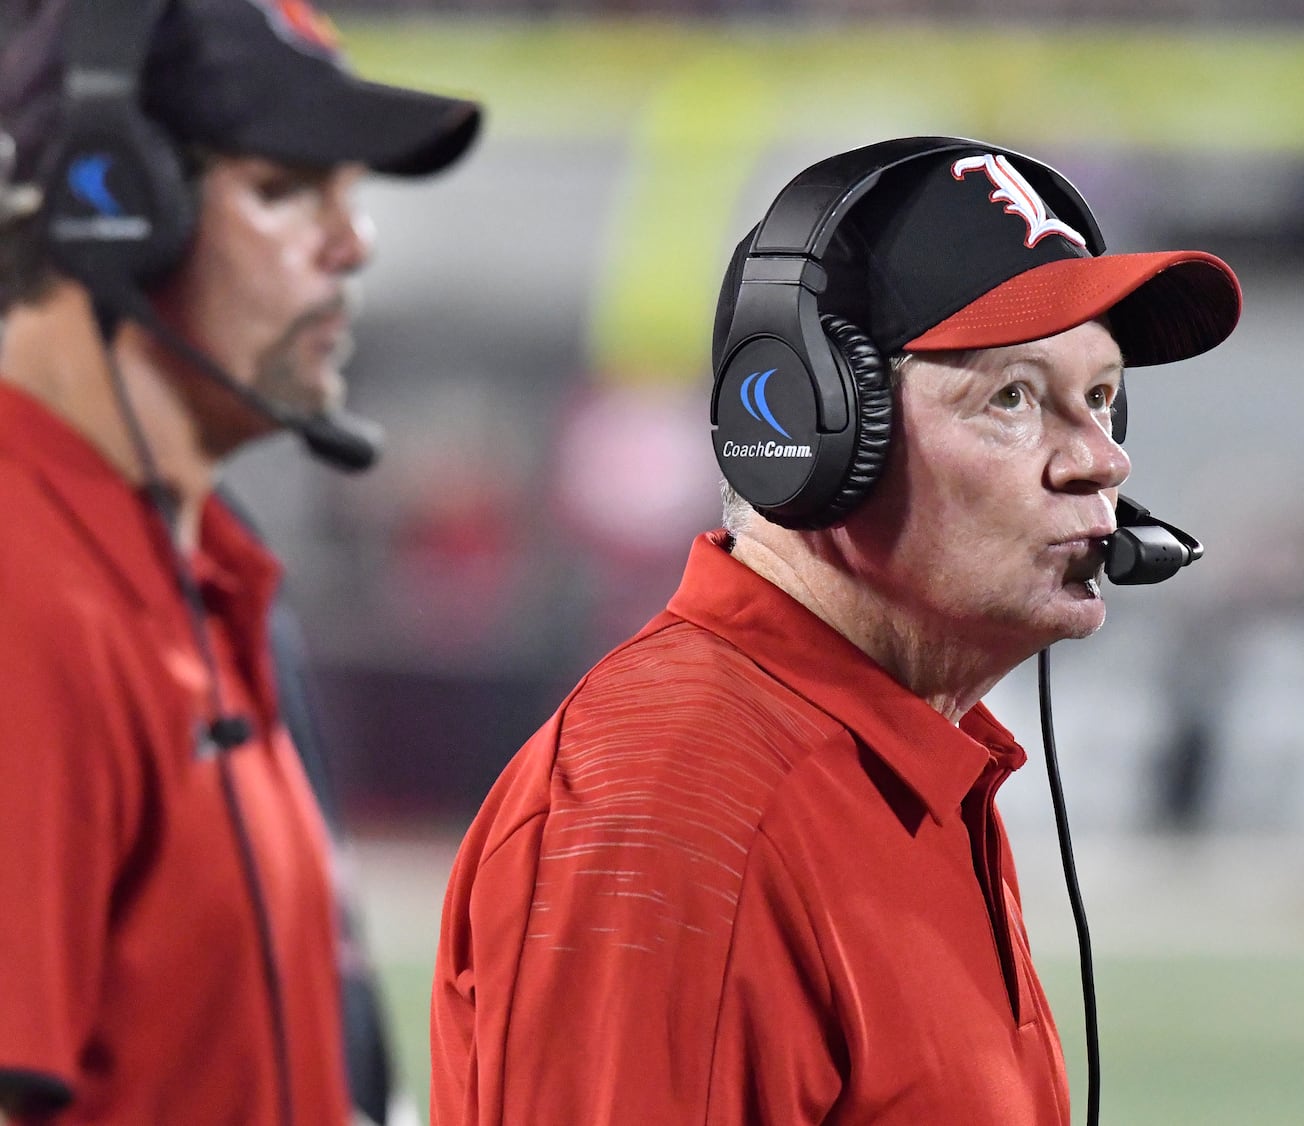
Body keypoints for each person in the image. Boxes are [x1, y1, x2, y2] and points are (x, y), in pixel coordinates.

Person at [430, 136, 1241, 1124]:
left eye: (1103, 398)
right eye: (1012, 398)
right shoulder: (673, 804)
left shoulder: (896, 760)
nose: (1099, 462)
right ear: (814, 433)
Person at [0, 0, 480, 1123]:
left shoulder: (207, 571)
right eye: (284, 189)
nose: (352, 243)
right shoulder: (25, 594)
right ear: (110, 208)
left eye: (350, 196)